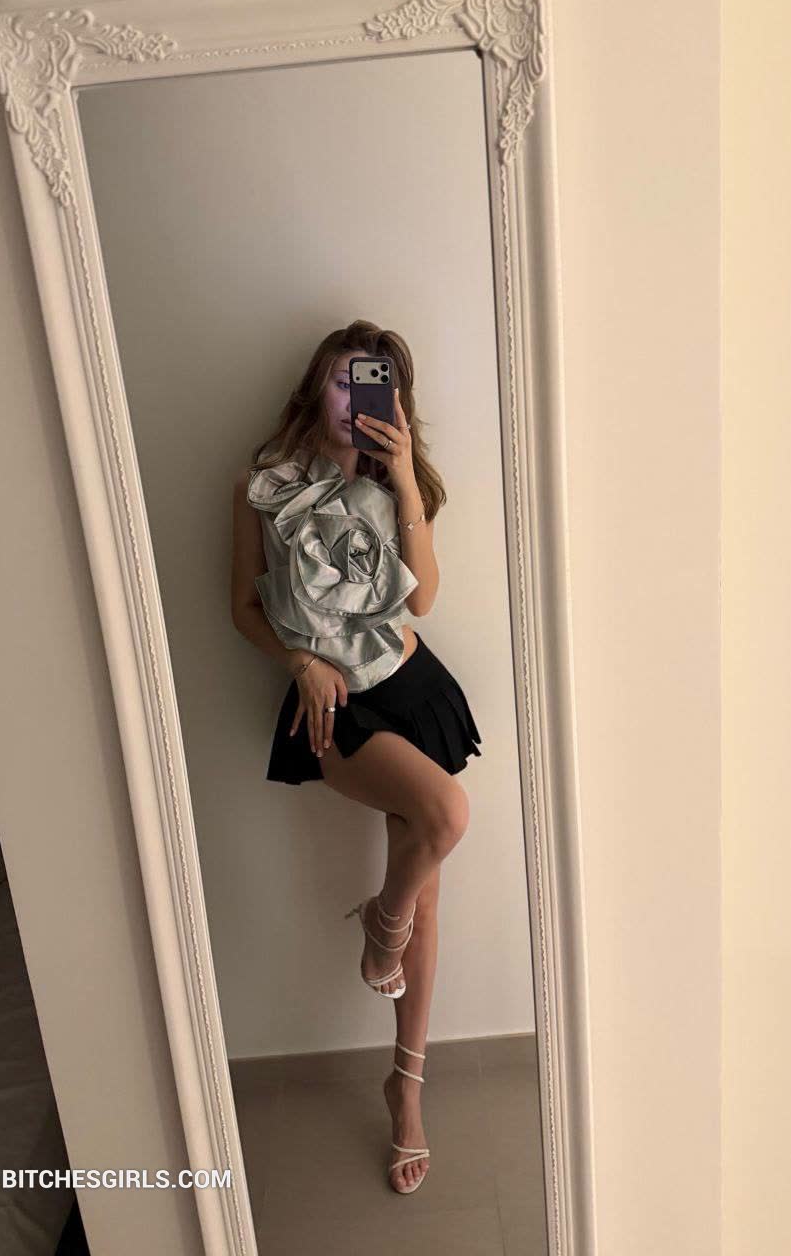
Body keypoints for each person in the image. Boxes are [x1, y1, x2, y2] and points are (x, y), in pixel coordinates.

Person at [230, 320, 482, 1195]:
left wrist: (403, 473)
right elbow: (242, 609)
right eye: (344, 380)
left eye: (374, 384)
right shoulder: (264, 484)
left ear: (395, 400)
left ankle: (405, 1088)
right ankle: (382, 926)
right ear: (316, 386)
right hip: (329, 700)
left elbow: (426, 596)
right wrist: (300, 662)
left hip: (413, 686)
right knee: (445, 818)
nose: (355, 399)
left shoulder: (403, 481)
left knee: (427, 884)